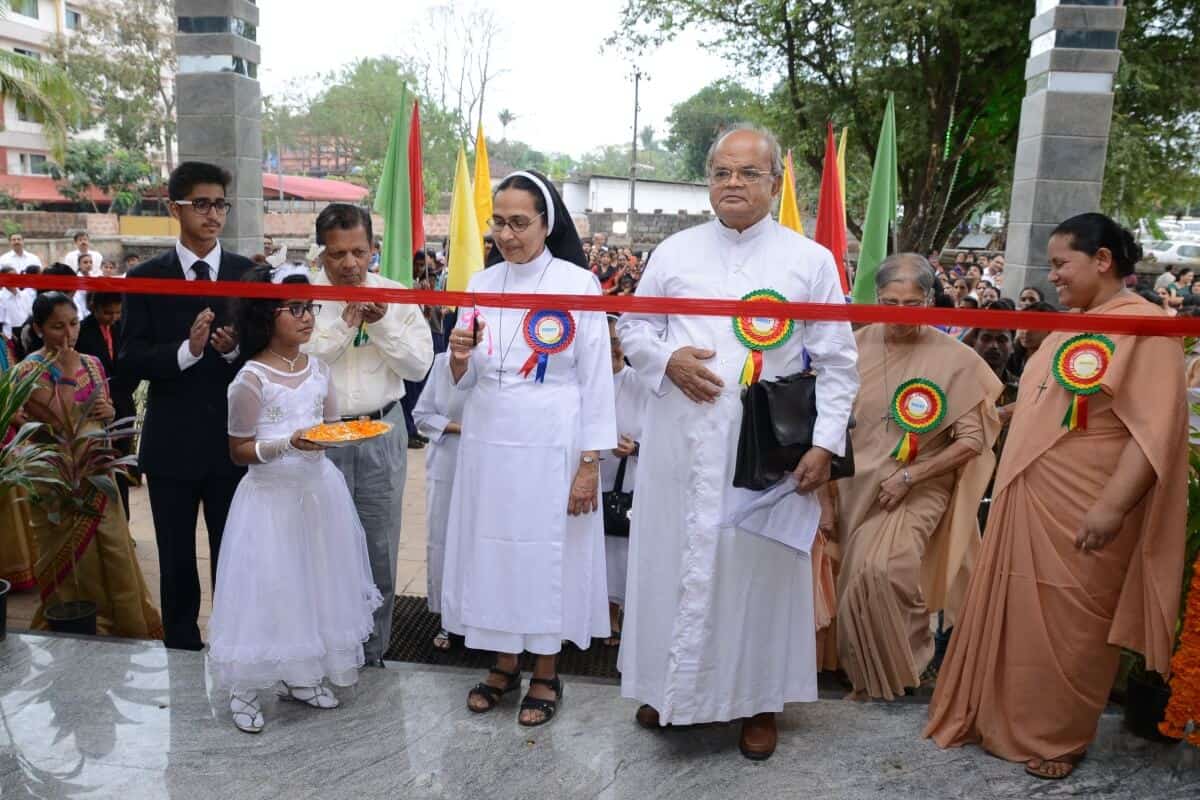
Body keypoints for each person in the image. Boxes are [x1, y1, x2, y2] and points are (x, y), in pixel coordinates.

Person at [616, 125, 858, 759]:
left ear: (774, 182)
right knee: (673, 562)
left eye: (748, 173)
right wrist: (667, 360)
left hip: (762, 449)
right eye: (722, 172)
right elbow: (635, 329)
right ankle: (671, 689)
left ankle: (757, 702)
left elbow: (837, 361)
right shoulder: (673, 251)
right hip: (679, 440)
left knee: (755, 575)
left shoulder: (810, 261)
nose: (732, 184)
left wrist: (824, 446)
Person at [926, 213, 1188, 781]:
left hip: (1086, 506)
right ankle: (1000, 719)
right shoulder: (1077, 324)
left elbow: (1153, 435)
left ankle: (1060, 735)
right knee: (1020, 617)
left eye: (1062, 264)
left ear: (1102, 260)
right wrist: (1003, 415)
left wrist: (1112, 507)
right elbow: (1058, 403)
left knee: (1073, 626)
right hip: (1030, 494)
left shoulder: (1148, 327)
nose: (1055, 276)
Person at [442, 169, 615, 727]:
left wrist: (589, 463)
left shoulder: (578, 285)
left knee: (546, 550)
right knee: (493, 547)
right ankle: (502, 662)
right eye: (500, 222)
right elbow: (461, 380)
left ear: (547, 223)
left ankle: (545, 670)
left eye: (520, 222)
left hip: (553, 439)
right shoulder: (481, 283)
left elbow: (596, 381)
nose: (508, 235)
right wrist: (460, 359)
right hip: (490, 438)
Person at [207, 265, 382, 734]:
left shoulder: (319, 369)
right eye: (296, 310)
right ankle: (246, 684)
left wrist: (335, 437)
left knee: (313, 583)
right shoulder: (250, 378)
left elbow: (327, 428)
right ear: (267, 316)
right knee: (270, 586)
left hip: (318, 493)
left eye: (311, 309)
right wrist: (288, 443)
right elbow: (239, 450)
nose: (307, 319)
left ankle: (299, 675)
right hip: (269, 499)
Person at [832, 255, 1002, 701]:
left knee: (884, 570)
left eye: (911, 303)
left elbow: (972, 439)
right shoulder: (853, 346)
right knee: (854, 581)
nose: (900, 314)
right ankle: (866, 675)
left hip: (919, 485)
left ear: (929, 300)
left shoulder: (958, 360)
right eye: (889, 302)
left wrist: (912, 475)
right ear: (875, 299)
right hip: (855, 485)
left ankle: (911, 661)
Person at [120, 161, 254, 651]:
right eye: (201, 203)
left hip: (231, 441)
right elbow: (128, 356)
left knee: (232, 552)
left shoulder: (248, 274)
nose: (213, 213)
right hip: (172, 443)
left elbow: (265, 353)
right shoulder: (145, 277)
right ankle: (180, 642)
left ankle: (235, 641)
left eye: (220, 203)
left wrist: (233, 349)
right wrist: (188, 351)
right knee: (176, 554)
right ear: (174, 207)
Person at [303, 204, 433, 667]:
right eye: (337, 254)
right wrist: (346, 325)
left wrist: (380, 324)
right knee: (319, 546)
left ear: (374, 249)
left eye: (359, 251)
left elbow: (419, 365)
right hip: (319, 434)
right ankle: (322, 652)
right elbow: (302, 360)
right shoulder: (302, 297)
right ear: (321, 255)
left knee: (378, 545)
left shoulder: (396, 296)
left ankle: (373, 653)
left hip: (381, 428)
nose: (349, 264)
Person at [17, 292, 163, 639]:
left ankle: (124, 621)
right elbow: (60, 420)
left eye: (72, 324)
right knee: (70, 558)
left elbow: (105, 407)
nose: (68, 334)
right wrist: (66, 373)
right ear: (38, 328)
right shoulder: (28, 370)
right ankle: (80, 625)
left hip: (98, 472)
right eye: (56, 327)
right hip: (58, 479)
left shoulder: (93, 363)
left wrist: (110, 412)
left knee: (113, 548)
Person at [599, 314, 651, 647]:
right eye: (606, 344)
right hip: (588, 475)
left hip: (627, 478)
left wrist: (636, 449)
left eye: (618, 343)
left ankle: (615, 613)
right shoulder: (582, 381)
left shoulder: (641, 383)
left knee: (619, 548)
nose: (614, 350)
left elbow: (660, 433)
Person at [412, 351, 465, 651]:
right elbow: (421, 417)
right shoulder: (444, 362)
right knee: (444, 539)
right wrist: (460, 428)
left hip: (492, 465)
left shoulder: (506, 364)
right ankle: (449, 618)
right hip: (448, 462)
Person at [76, 292, 137, 518]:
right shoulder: (81, 331)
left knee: (121, 467)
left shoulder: (124, 328)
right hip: (95, 408)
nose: (113, 317)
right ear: (94, 307)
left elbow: (133, 364)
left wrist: (120, 394)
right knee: (98, 467)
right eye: (107, 312)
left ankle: (124, 522)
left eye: (118, 312)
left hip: (122, 405)